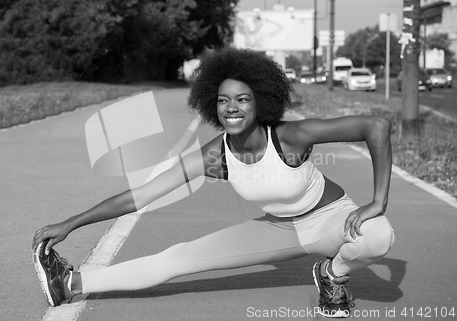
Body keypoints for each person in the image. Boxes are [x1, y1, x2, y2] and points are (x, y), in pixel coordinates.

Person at [32, 48, 394, 318]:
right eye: (223, 100)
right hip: (279, 230)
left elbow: (375, 126)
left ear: (261, 102)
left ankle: (332, 274)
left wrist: (377, 201)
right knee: (176, 259)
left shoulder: (291, 136)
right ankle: (70, 283)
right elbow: (139, 197)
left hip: (331, 218)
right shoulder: (214, 156)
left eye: (242, 99)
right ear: (212, 106)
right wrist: (71, 223)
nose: (231, 108)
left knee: (378, 236)